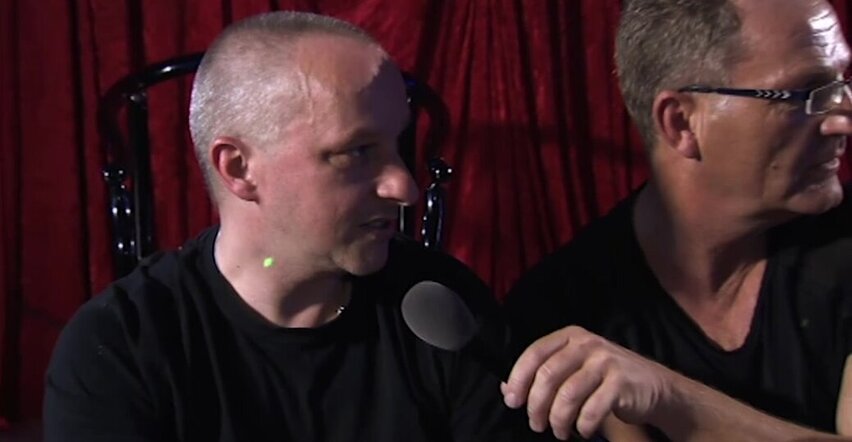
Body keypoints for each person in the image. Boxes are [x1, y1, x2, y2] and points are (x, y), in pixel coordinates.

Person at [43, 11, 539, 441]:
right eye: (358, 152)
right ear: (239, 168)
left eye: (396, 145)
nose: (404, 186)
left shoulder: (442, 305)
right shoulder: (122, 346)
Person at [501, 0, 852, 440]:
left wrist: (671, 400)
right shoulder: (559, 310)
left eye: (842, 83)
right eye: (805, 95)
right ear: (681, 122)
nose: (842, 120)